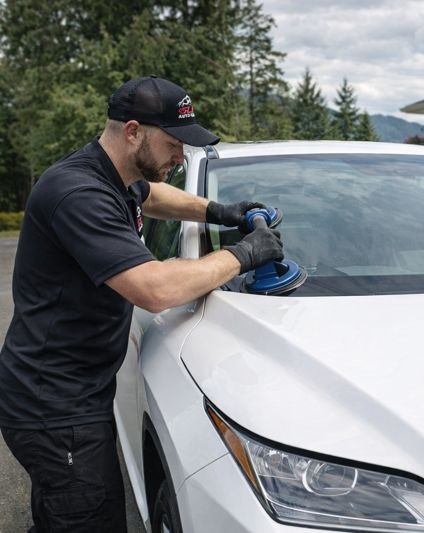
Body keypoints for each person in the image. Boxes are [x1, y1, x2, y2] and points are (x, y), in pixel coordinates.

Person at [0, 76, 283, 531]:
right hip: (54, 409)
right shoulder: (79, 194)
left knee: (61, 515)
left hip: (67, 393)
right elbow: (155, 289)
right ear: (133, 131)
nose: (180, 156)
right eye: (174, 144)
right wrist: (242, 254)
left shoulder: (116, 174)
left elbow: (152, 197)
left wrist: (218, 211)